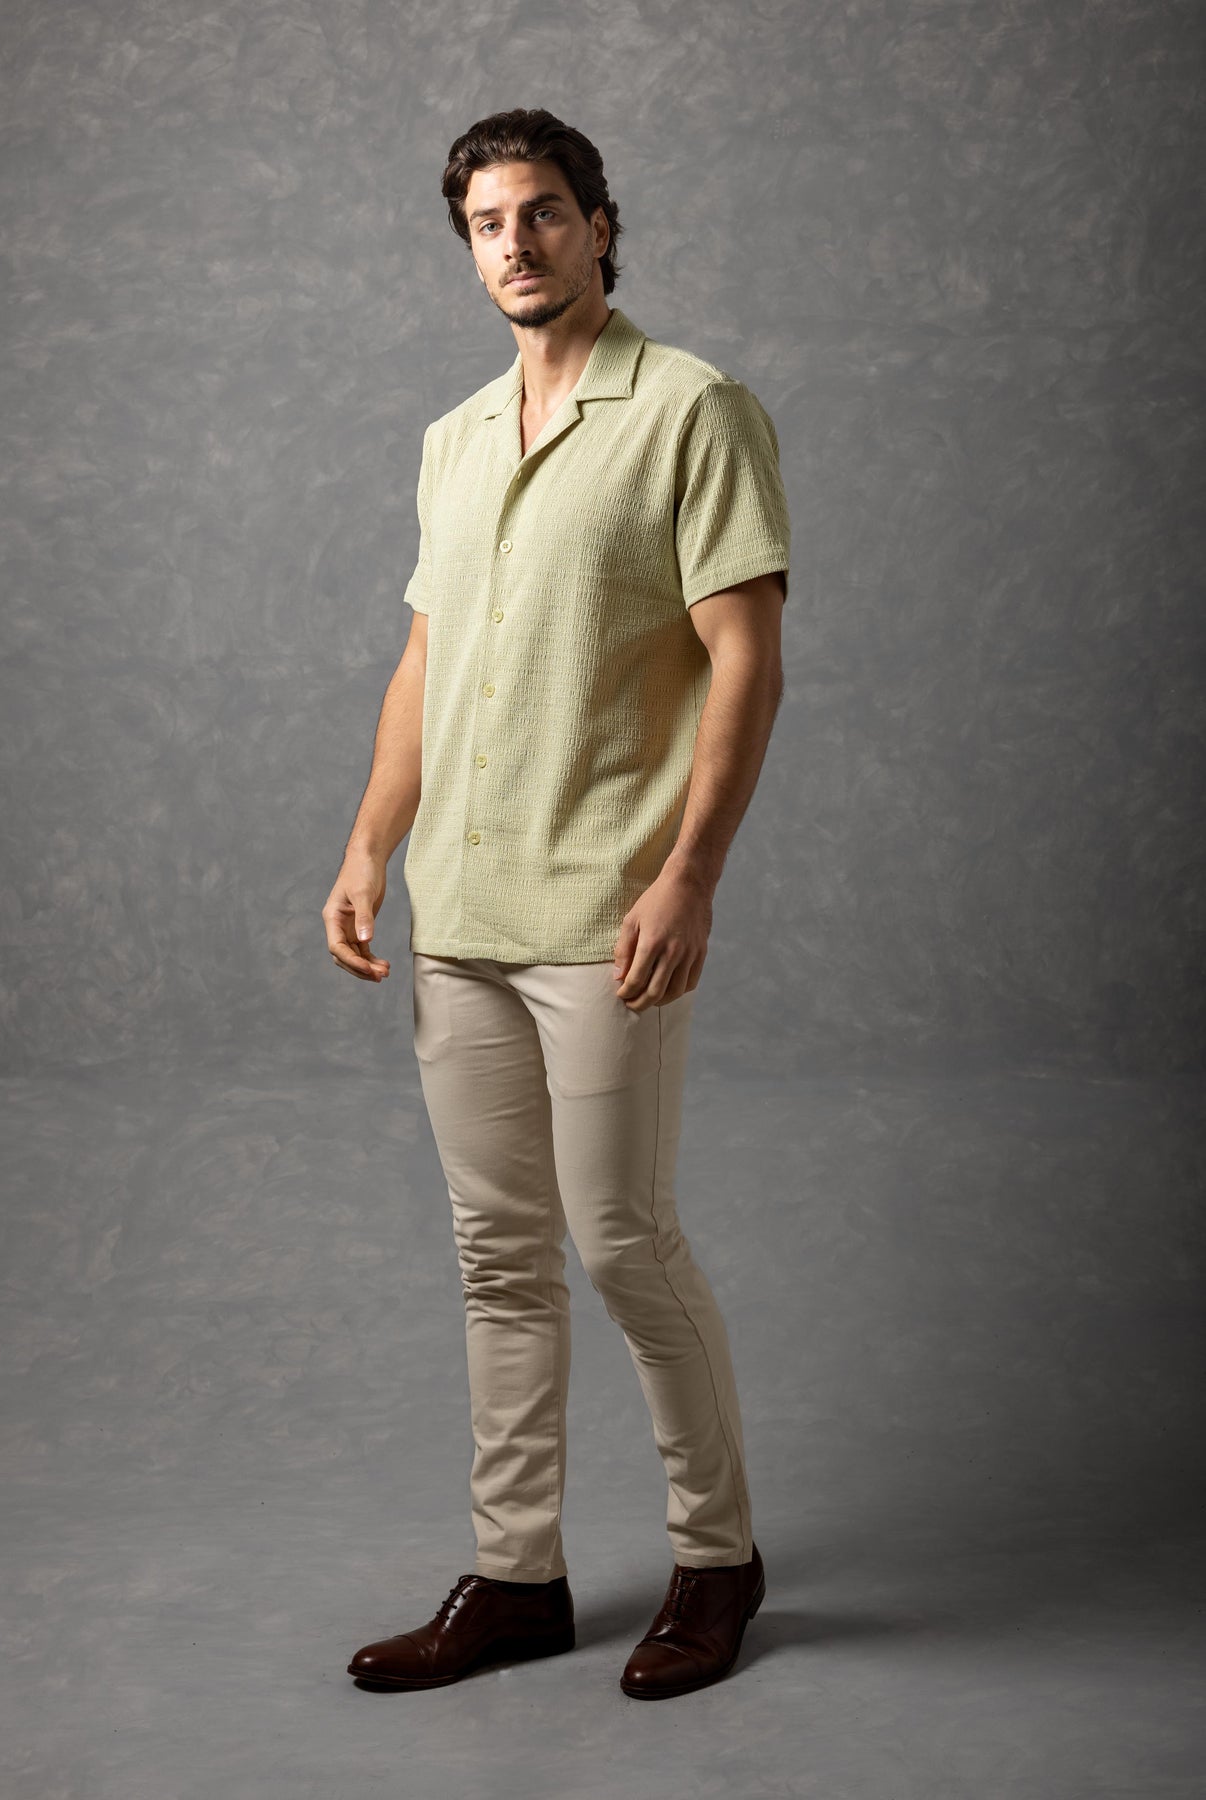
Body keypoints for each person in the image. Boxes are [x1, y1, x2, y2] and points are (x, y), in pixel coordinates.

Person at [324, 108, 791, 1701]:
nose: (513, 244)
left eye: (539, 213)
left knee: (622, 1243)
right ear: (466, 247)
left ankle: (715, 1561)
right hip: (457, 911)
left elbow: (745, 658)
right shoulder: (454, 436)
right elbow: (427, 657)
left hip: (605, 908)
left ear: (598, 224)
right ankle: (515, 1578)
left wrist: (689, 873)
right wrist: (369, 845)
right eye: (485, 223)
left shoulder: (691, 410)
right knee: (496, 1257)